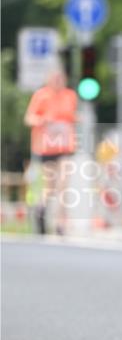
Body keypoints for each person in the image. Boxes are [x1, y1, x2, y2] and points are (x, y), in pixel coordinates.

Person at [23, 65, 77, 235]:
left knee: (64, 184)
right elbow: (29, 118)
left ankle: (61, 223)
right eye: (55, 79)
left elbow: (71, 117)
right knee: (49, 187)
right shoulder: (41, 96)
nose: (58, 82)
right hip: (46, 148)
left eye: (61, 79)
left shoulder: (70, 96)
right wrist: (42, 121)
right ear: (48, 80)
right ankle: (41, 211)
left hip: (65, 147)